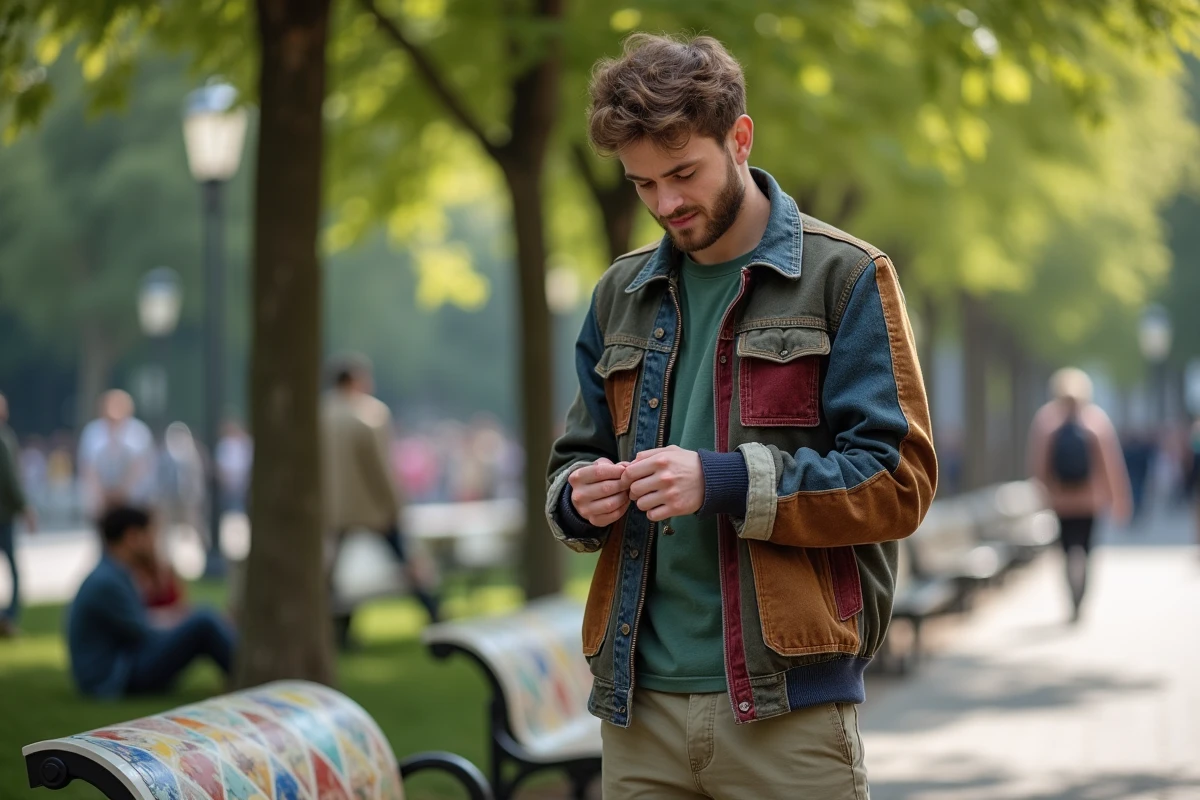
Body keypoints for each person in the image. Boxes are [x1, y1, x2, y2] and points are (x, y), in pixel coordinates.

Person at [546, 34, 937, 799]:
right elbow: (573, 459)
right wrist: (577, 498)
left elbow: (899, 481)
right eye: (642, 185)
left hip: (785, 710)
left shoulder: (847, 276)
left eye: (683, 173)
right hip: (637, 712)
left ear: (741, 137)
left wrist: (723, 480)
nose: (665, 204)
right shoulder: (617, 295)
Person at [321, 354, 440, 647]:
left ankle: (340, 633)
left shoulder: (319, 415)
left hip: (333, 510)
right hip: (371, 508)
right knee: (406, 560)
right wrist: (395, 505)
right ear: (355, 381)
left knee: (334, 574)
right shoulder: (370, 415)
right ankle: (435, 613)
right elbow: (379, 469)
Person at [66, 506, 235, 698]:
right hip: (114, 677)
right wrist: (185, 620)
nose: (155, 542)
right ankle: (256, 679)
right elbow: (144, 631)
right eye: (151, 535)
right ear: (132, 537)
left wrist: (182, 616)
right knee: (204, 622)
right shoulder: (107, 581)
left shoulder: (114, 573)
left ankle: (248, 671)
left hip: (121, 666)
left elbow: (140, 620)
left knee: (202, 618)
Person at [1027, 367, 1132, 623]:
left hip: (1061, 502)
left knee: (1065, 552)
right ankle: (1081, 598)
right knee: (1086, 551)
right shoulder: (1095, 420)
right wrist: (1120, 500)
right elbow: (1111, 465)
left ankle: (1071, 598)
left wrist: (1041, 494)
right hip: (1090, 502)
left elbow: (1038, 465)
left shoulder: (1046, 420)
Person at [77, 391, 157, 519]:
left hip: (133, 499)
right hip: (102, 500)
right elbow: (88, 466)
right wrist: (103, 494)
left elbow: (141, 466)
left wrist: (122, 492)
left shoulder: (139, 432)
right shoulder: (92, 432)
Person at [0, 393, 37, 637]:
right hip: (4, 515)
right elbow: (10, 479)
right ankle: (9, 618)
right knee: (13, 568)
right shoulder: (4, 439)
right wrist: (25, 507)